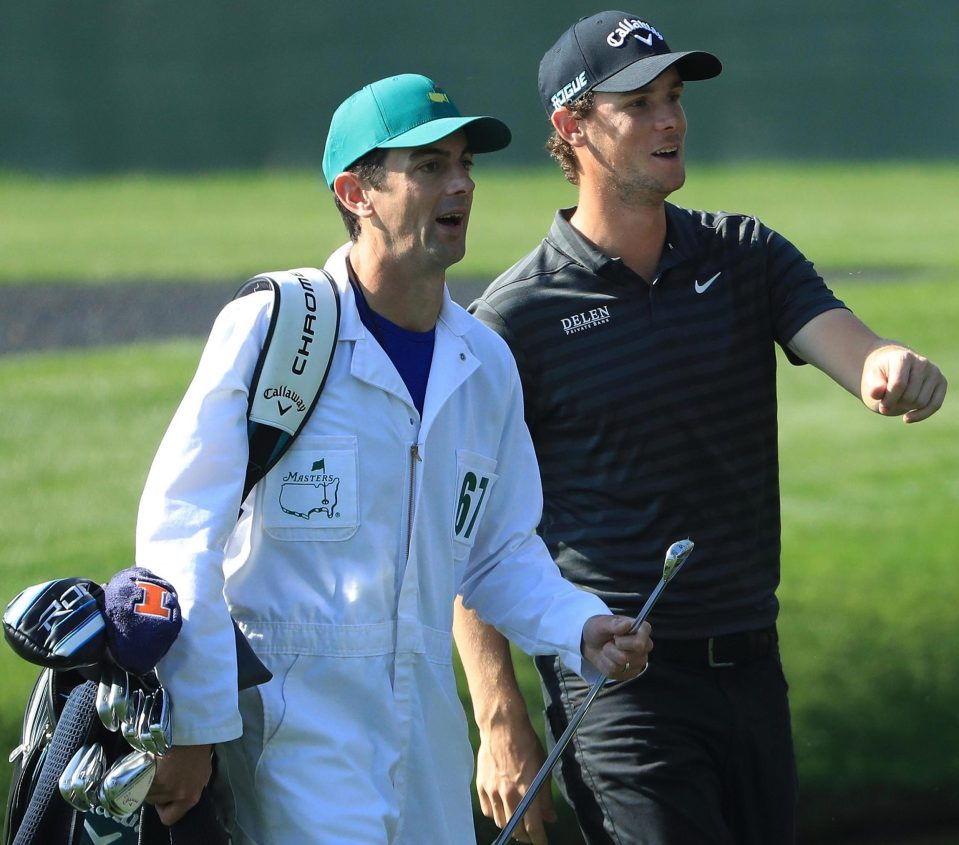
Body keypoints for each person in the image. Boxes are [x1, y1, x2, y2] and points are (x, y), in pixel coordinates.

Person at [453, 11, 948, 845]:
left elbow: (852, 348)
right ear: (571, 128)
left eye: (673, 96)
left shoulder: (744, 254)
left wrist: (891, 366)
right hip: (620, 693)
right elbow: (468, 531)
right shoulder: (512, 319)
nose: (670, 119)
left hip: (755, 670)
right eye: (638, 103)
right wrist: (499, 718)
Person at [133, 72, 654, 845]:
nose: (460, 185)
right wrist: (195, 719)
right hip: (287, 730)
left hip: (428, 742)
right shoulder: (275, 327)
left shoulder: (485, 360)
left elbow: (496, 552)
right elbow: (179, 530)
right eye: (429, 166)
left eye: (465, 164)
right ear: (356, 192)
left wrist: (578, 623)